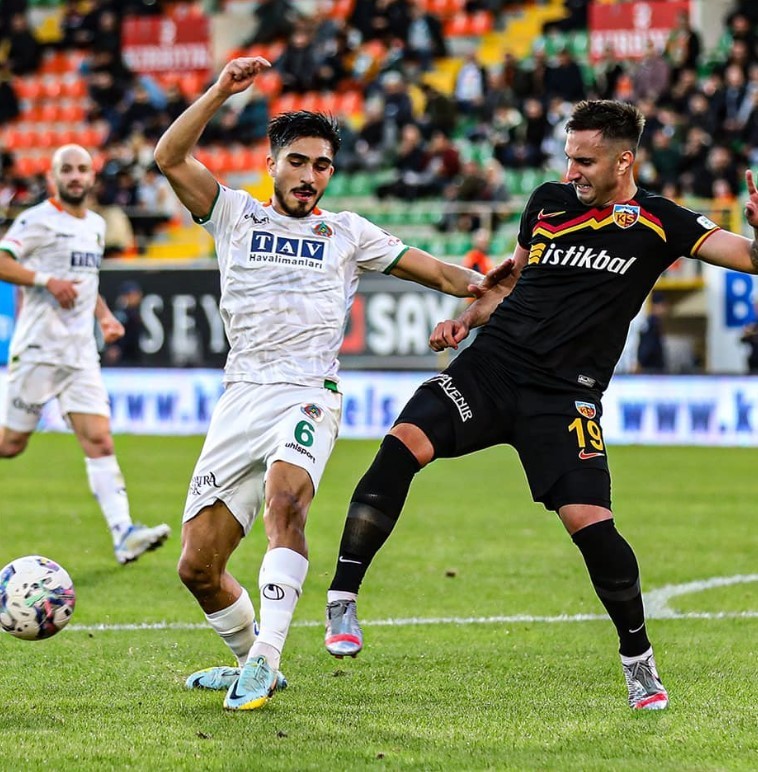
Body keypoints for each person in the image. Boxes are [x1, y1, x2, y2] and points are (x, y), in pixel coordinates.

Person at [324, 99, 758, 711]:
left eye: (585, 161)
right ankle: (342, 598)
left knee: (593, 526)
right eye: (568, 157)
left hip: (565, 397)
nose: (571, 170)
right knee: (401, 447)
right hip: (491, 369)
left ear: (623, 162)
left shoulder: (662, 221)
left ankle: (638, 660)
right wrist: (467, 318)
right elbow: (513, 283)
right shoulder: (548, 203)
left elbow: (749, 260)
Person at [153, 56, 509, 712]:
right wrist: (221, 90)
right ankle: (249, 660)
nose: (310, 176)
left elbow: (439, 273)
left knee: (286, 504)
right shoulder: (233, 215)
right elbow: (169, 157)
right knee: (197, 567)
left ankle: (266, 658)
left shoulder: (348, 233)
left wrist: (488, 284)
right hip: (242, 396)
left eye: (322, 166)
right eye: (297, 162)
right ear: (271, 164)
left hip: (309, 391)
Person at [0, 144, 171, 564]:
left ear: (92, 177)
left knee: (99, 439)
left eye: (82, 169)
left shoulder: (96, 225)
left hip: (80, 355)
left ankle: (124, 533)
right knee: (10, 444)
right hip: (39, 350)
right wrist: (45, 280)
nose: (75, 176)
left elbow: (85, 282)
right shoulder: (36, 220)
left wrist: (105, 316)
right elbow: (3, 261)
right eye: (67, 170)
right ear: (52, 178)